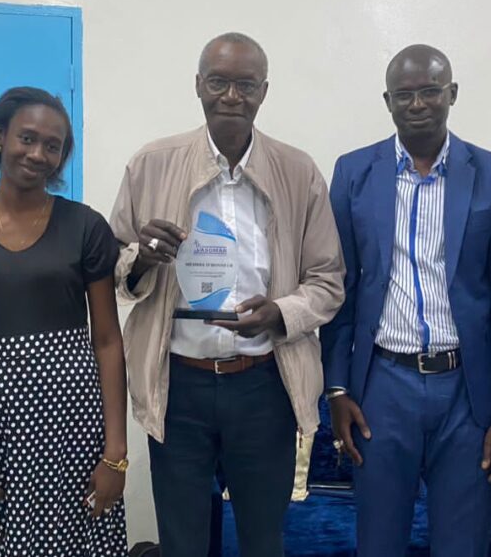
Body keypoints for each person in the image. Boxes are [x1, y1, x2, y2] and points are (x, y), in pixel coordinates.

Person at [109, 32, 344, 557]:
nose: (231, 96)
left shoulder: (298, 171)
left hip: (263, 385)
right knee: (183, 541)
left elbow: (328, 281)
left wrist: (280, 313)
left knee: (262, 540)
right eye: (218, 82)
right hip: (179, 387)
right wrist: (144, 257)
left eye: (245, 85)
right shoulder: (152, 163)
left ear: (264, 91)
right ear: (198, 86)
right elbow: (114, 266)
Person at [321, 44, 491, 556]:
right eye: (405, 95)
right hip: (382, 388)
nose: (417, 105)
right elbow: (342, 292)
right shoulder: (353, 173)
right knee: (379, 541)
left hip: (467, 391)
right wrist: (337, 390)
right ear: (388, 101)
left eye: (430, 92)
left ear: (452, 94)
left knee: (463, 543)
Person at [0, 87, 129, 557]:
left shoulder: (86, 227)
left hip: (74, 428)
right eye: (26, 138)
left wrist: (116, 453)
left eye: (52, 146)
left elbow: (108, 342)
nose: (38, 154)